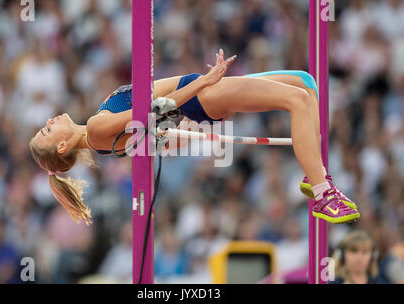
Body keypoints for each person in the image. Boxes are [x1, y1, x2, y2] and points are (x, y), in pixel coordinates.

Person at [29, 49, 359, 225]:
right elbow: (155, 110)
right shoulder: (98, 131)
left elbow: (160, 132)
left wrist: (190, 127)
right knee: (297, 99)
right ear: (61, 145)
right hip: (202, 95)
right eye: (46, 130)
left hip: (201, 95)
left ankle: (313, 173)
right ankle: (322, 193)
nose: (48, 121)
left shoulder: (101, 134)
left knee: (304, 83)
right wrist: (206, 82)